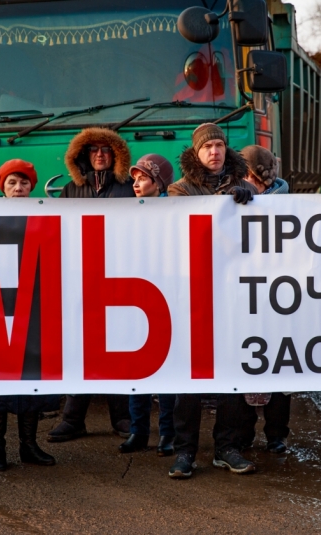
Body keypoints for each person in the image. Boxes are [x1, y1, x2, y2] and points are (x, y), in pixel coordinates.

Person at [166, 123, 257, 478]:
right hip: (194, 292)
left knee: (231, 374)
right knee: (190, 378)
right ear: (197, 153)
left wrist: (252, 203)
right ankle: (185, 451)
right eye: (208, 147)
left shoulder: (245, 187)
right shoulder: (179, 189)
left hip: (234, 293)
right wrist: (223, 206)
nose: (214, 152)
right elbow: (178, 226)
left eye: (219, 145)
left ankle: (227, 447)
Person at [0, 160, 59, 471]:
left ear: (32, 186)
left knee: (31, 380)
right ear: (2, 187)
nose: (18, 188)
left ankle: (28, 444)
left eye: (24, 183)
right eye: (12, 183)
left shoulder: (46, 215)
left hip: (34, 309)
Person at [48, 127, 133, 442]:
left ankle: (121, 417)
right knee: (83, 350)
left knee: (117, 349)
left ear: (115, 155)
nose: (100, 155)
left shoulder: (129, 189)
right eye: (93, 150)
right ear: (83, 155)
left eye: (106, 150)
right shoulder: (71, 190)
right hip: (83, 280)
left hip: (122, 279)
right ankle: (73, 419)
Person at [120, 154, 177, 455]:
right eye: (134, 178)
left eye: (142, 177)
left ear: (159, 182)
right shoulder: (128, 212)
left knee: (165, 370)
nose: (136, 183)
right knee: (136, 371)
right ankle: (138, 431)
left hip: (167, 298)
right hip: (134, 299)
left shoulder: (175, 212)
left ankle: (167, 433)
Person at [238, 145, 291, 454]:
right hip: (245, 298)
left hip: (278, 299)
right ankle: (244, 434)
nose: (252, 183)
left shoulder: (289, 205)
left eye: (254, 177)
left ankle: (276, 435)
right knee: (245, 366)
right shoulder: (232, 200)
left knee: (280, 367)